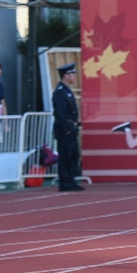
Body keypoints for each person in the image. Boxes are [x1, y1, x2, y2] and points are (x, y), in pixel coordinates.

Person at [52, 63, 84, 192]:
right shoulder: (60, 92)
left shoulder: (67, 90)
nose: (74, 76)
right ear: (66, 75)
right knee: (65, 156)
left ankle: (71, 180)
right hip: (65, 129)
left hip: (71, 128)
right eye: (72, 74)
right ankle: (65, 182)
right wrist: (68, 127)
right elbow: (60, 113)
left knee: (73, 155)